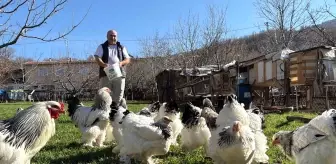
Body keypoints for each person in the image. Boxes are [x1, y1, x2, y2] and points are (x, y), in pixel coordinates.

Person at [94, 29, 131, 105]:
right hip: (106, 73)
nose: (113, 37)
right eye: (111, 35)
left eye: (115, 36)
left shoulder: (121, 47)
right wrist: (104, 65)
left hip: (119, 73)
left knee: (119, 94)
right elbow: (97, 58)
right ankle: (105, 112)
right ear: (107, 36)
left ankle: (116, 112)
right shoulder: (102, 47)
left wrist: (121, 63)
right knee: (105, 95)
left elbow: (127, 59)